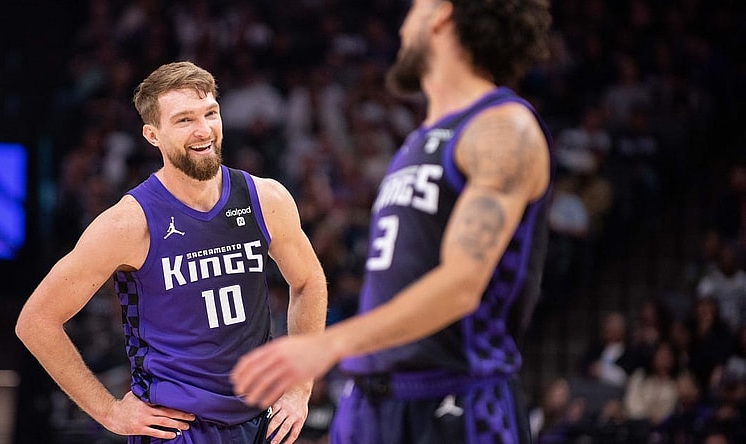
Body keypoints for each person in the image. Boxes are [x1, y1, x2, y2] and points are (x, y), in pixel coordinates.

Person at [231, 1, 553, 442]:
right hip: (372, 401)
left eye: (414, 8)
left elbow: (463, 283)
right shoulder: (417, 142)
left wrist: (328, 344)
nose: (402, 28)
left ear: (441, 14)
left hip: (456, 400)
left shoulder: (501, 127)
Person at [15, 61, 328, 444]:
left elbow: (309, 281)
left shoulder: (267, 198)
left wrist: (299, 387)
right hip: (178, 429)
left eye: (210, 114)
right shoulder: (128, 223)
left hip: (259, 424)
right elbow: (36, 321)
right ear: (153, 135)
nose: (203, 130)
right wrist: (109, 410)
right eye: (183, 120)